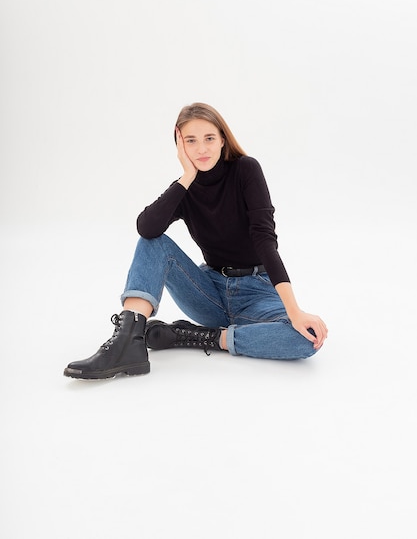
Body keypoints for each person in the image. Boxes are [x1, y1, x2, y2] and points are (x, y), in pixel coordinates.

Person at [64, 103, 328, 379]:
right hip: (209, 293)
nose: (201, 149)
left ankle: (202, 337)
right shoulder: (185, 189)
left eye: (209, 139)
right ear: (180, 146)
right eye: (191, 141)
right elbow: (147, 228)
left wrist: (294, 311)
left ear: (223, 140)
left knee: (305, 338)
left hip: (256, 292)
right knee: (154, 243)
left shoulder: (246, 171)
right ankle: (127, 342)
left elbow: (264, 240)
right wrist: (188, 176)